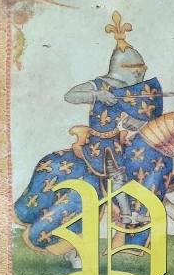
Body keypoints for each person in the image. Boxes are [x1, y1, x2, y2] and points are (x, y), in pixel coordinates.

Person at [63, 11, 163, 226]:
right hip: (99, 143)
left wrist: (138, 122)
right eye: (137, 72)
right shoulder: (99, 85)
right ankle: (126, 215)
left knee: (134, 168)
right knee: (117, 176)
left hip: (117, 139)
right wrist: (97, 95)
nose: (139, 77)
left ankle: (133, 210)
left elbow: (135, 115)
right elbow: (70, 96)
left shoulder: (128, 91)